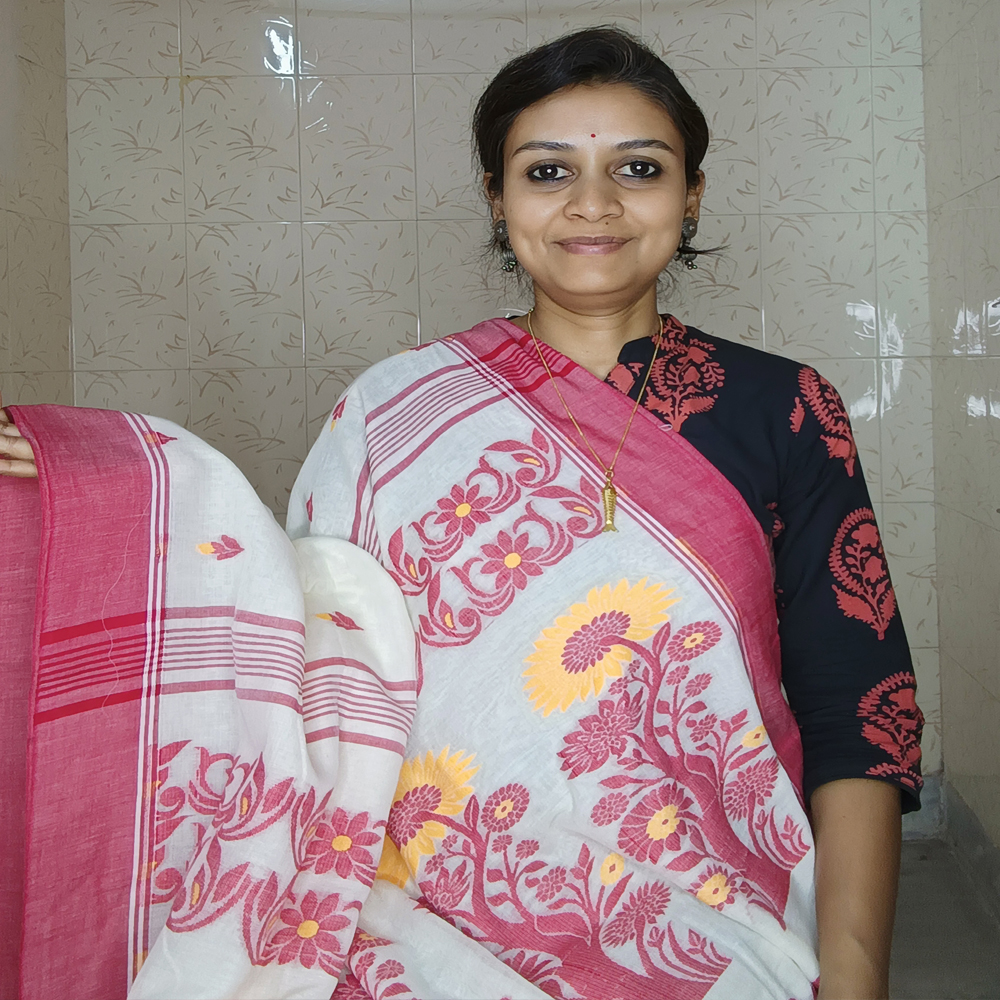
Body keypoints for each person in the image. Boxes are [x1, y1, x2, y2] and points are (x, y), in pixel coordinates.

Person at [1, 26, 922, 1000]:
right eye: (548, 171)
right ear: (497, 196)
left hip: (711, 911)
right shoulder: (392, 409)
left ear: (690, 193)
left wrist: (854, 971)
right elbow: (307, 631)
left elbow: (856, 703)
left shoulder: (784, 409)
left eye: (639, 168)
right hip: (416, 910)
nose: (594, 203)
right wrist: (116, 495)